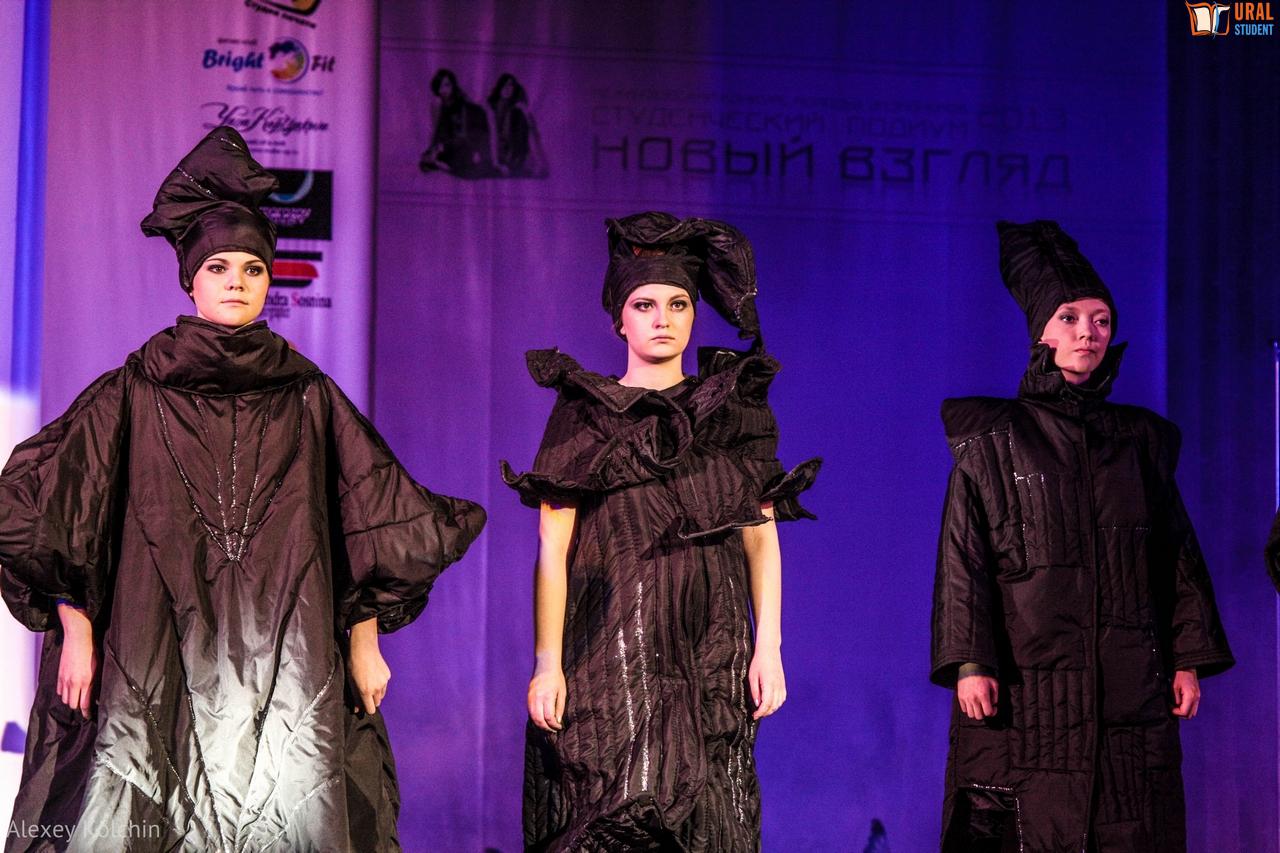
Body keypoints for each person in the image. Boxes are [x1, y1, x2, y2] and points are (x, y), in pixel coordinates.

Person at [0, 127, 486, 852]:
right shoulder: (134, 390)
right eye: (218, 266)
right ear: (190, 280)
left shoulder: (308, 396)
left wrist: (366, 642)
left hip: (284, 658)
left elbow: (367, 526)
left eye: (253, 267)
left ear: (270, 281)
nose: (236, 280)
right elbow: (53, 510)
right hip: (151, 649)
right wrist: (75, 629)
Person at [501, 212, 820, 852]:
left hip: (712, 648)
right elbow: (553, 549)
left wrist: (770, 646)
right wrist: (547, 663)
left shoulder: (734, 414)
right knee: (613, 814)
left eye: (678, 304)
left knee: (711, 819)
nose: (662, 319)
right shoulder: (585, 414)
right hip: (612, 653)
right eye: (644, 305)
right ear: (619, 319)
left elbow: (761, 536)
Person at [931, 220, 1233, 852]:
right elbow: (965, 559)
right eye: (1069, 318)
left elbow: (1174, 554)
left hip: (1127, 688)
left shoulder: (1139, 441)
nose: (1087, 333)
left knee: (1128, 825)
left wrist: (1187, 657)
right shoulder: (993, 437)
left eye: (1100, 320)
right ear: (1040, 332)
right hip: (1024, 691)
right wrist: (970, 662)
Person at [419, 68, 496, 178]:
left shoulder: (462, 103)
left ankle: (448, 164)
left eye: (447, 85)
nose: (443, 90)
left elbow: (465, 132)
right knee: (426, 161)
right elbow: (437, 130)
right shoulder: (438, 104)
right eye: (440, 86)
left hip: (467, 143)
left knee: (460, 163)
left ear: (453, 85)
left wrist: (442, 147)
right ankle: (442, 162)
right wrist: (433, 149)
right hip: (451, 144)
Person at [486, 73, 547, 178]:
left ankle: (535, 162)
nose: (508, 88)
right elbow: (493, 135)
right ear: (500, 87)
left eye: (511, 85)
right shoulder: (493, 108)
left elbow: (532, 132)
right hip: (500, 151)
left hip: (516, 150)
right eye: (505, 85)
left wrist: (526, 112)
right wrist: (496, 163)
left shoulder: (517, 107)